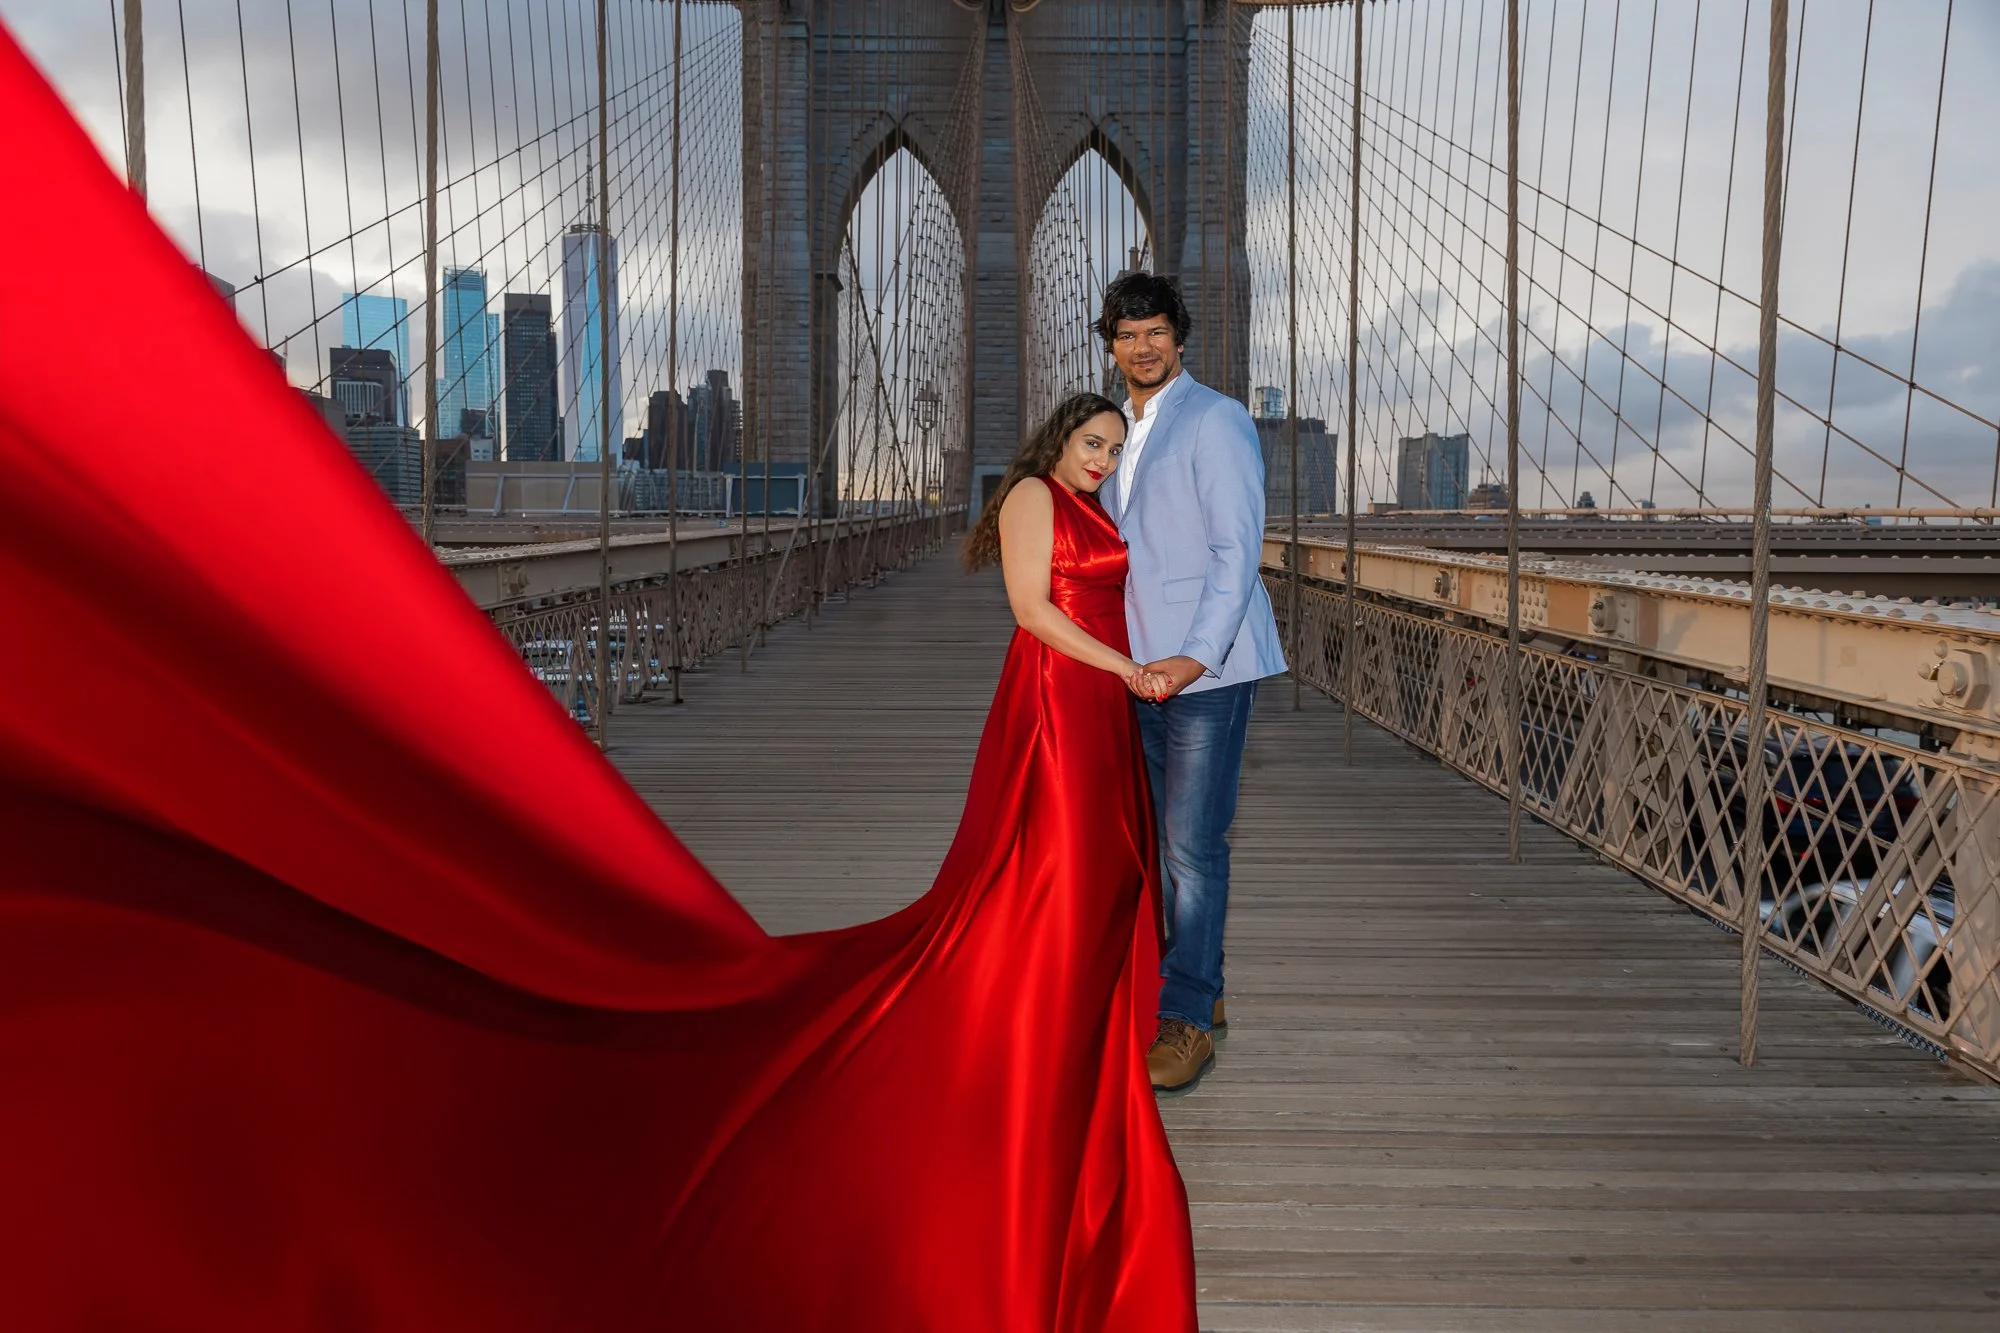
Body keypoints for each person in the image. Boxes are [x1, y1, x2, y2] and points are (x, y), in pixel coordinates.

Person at [0, 36, 1199, 1320]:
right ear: (1049, 441)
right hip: (1072, 704)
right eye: (1083, 436)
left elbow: (1124, 551)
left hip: (1102, 710)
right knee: (1050, 892)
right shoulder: (1034, 495)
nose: (1095, 450)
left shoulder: (1105, 478)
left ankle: (1076, 1066)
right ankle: (1037, 1079)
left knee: (1093, 890)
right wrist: (1124, 660)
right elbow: (1031, 606)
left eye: (1103, 435)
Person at [1094, 273, 1288, 1094]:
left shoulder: (1217, 418)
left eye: (1157, 333)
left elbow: (1235, 552)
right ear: (1111, 347)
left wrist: (1194, 657)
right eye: (1128, 335)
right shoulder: (1108, 435)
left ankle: (1185, 1016)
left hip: (1206, 667)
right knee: (1163, 843)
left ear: (1180, 338)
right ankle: (1199, 988)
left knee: (1192, 846)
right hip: (1137, 667)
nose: (1143, 347)